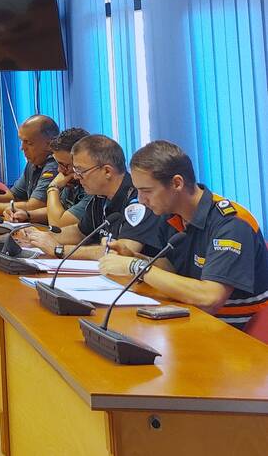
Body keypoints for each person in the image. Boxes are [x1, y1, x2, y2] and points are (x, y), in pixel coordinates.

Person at [99, 141, 268, 329]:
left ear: (177, 183)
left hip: (235, 332)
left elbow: (210, 297)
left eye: (147, 191)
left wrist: (136, 267)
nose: (141, 200)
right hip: (190, 319)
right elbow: (172, 267)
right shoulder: (171, 214)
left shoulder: (232, 223)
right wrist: (134, 257)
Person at [19, 134, 166, 259]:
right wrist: (39, 237)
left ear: (107, 171)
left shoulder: (140, 200)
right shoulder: (100, 196)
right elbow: (80, 232)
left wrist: (59, 250)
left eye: (81, 171)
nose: (76, 176)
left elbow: (121, 251)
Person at [8, 127, 91, 228]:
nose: (59, 170)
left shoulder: (92, 189)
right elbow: (57, 211)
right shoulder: (71, 181)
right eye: (58, 164)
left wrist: (53, 187)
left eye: (64, 165)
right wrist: (27, 215)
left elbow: (58, 224)